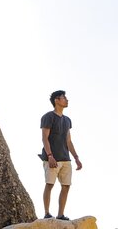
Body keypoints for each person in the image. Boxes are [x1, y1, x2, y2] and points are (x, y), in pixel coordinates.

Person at [40, 90, 82, 220]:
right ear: (56, 100)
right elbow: (44, 138)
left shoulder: (67, 120)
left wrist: (76, 158)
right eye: (64, 97)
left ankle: (60, 214)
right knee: (50, 184)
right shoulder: (48, 117)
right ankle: (47, 213)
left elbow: (68, 141)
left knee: (66, 186)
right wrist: (50, 155)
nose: (67, 99)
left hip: (66, 159)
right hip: (52, 158)